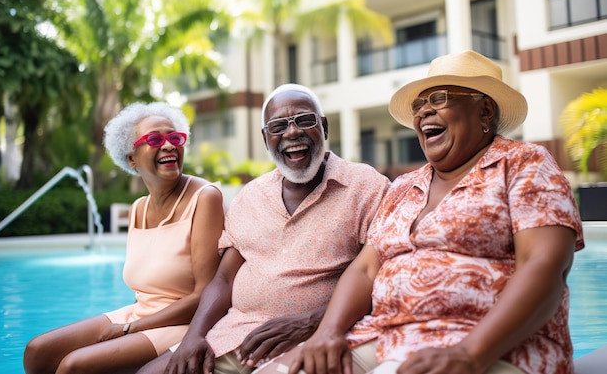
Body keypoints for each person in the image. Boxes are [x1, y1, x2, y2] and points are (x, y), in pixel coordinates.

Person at [276, 50, 585, 374]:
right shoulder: (403, 186)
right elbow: (366, 269)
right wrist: (327, 331)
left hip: (492, 347)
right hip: (386, 336)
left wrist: (468, 354)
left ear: (484, 110)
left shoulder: (524, 164)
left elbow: (544, 266)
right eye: (418, 105)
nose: (424, 111)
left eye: (439, 99)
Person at [136, 83, 390, 374]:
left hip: (309, 339)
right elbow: (223, 279)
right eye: (278, 126)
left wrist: (310, 321)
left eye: (305, 120)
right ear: (266, 138)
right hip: (231, 336)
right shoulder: (251, 196)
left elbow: (382, 279)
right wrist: (194, 337)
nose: (292, 132)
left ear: (324, 127)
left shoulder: (366, 187)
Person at [23, 102, 225, 374]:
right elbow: (145, 292)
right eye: (154, 139)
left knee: (74, 366)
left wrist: (130, 329)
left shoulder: (205, 197)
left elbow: (204, 295)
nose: (168, 145)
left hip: (185, 324)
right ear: (131, 158)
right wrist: (131, 324)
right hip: (141, 314)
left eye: (174, 137)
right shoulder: (138, 209)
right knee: (38, 351)